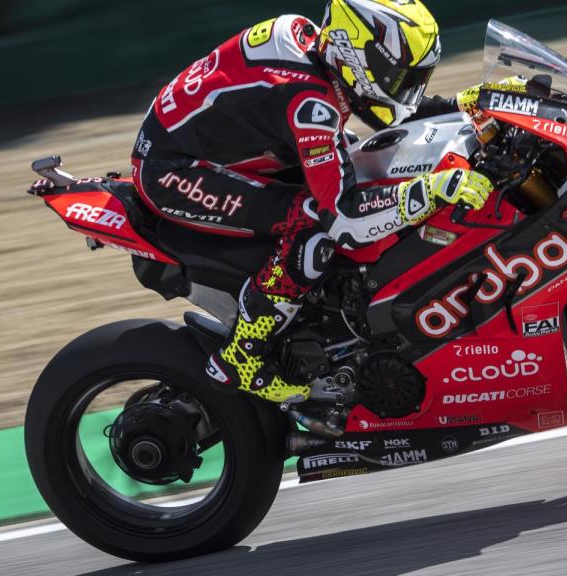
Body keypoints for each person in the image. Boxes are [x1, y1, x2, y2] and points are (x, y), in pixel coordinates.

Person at [130, 0, 492, 404]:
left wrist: (463, 105)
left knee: (364, 157)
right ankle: (242, 356)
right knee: (310, 225)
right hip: (174, 170)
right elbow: (344, 218)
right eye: (399, 77)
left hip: (220, 145)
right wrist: (430, 191)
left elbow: (391, 112)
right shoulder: (309, 101)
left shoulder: (315, 51)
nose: (405, 90)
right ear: (358, 57)